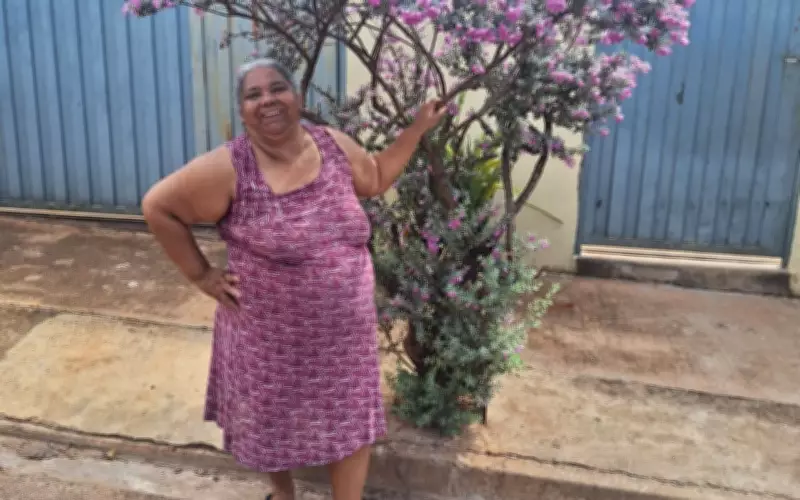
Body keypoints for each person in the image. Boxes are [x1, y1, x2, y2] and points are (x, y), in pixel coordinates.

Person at [141, 58, 446, 500]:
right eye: (253, 94)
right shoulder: (230, 168)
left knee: (350, 424)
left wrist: (416, 130)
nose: (267, 100)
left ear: (298, 96)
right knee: (272, 424)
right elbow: (158, 207)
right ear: (242, 111)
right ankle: (284, 495)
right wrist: (201, 275)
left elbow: (377, 176)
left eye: (277, 88)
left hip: (345, 340)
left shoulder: (333, 145)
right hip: (269, 341)